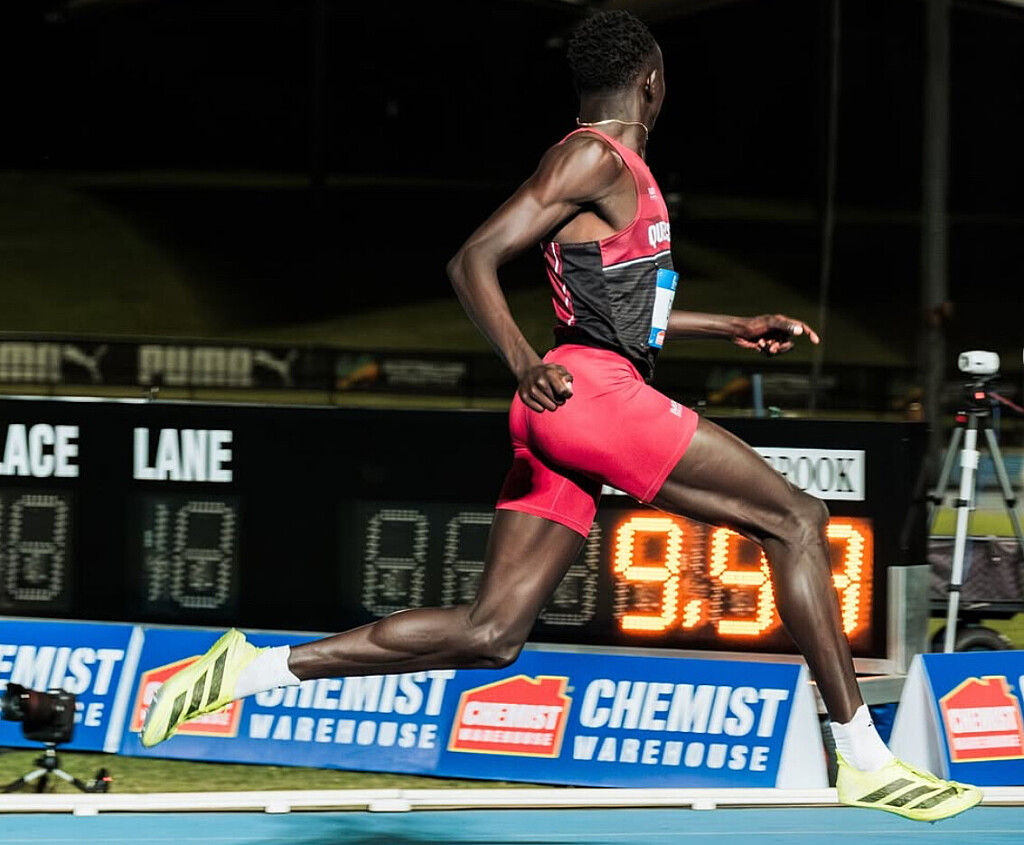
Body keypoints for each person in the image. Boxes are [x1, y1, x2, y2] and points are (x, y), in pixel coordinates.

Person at [142, 10, 980, 821]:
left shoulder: (612, 172)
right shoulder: (593, 156)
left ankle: (251, 669)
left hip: (569, 404)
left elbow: (622, 314)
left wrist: (731, 325)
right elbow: (472, 258)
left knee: (491, 633)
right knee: (796, 518)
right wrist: (521, 360)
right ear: (653, 82)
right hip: (591, 397)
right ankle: (861, 755)